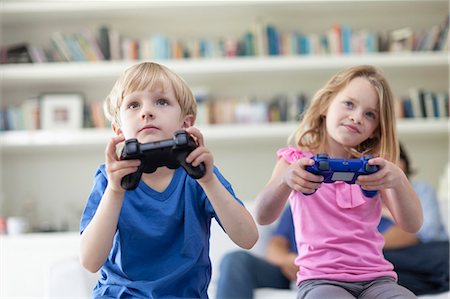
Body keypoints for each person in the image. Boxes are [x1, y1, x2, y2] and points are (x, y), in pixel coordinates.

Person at [79, 62, 258, 298]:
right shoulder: (110, 179)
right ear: (118, 130)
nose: (147, 111)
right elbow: (91, 261)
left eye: (161, 102)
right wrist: (114, 191)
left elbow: (248, 238)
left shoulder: (199, 174)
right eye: (133, 104)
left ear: (186, 123)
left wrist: (208, 181)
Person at [254, 65, 422, 299]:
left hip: (377, 279)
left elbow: (412, 225)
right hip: (320, 280)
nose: (356, 117)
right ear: (325, 105)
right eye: (349, 104)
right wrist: (285, 180)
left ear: (375, 130)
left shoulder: (375, 167)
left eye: (370, 114)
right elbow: (262, 216)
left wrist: (399, 180)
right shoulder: (295, 161)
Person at [216, 142, 448, 298]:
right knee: (235, 260)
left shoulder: (374, 200)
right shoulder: (304, 193)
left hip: (363, 267)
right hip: (299, 267)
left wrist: (349, 252)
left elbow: (409, 233)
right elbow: (276, 241)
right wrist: (291, 261)